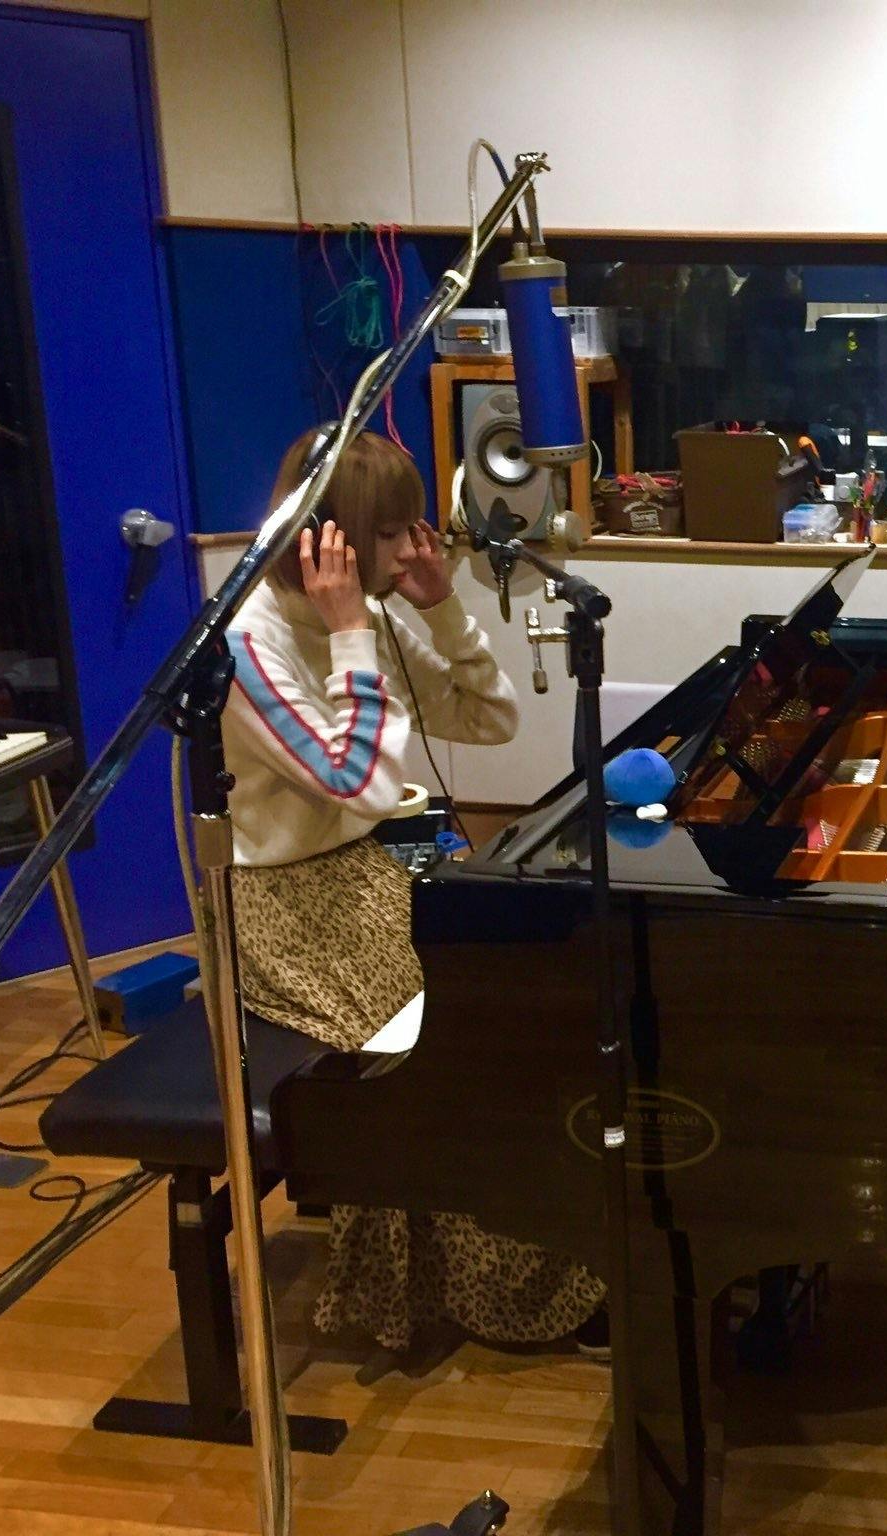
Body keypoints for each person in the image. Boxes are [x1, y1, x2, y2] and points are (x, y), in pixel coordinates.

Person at [221, 427, 606, 1358]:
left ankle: (566, 1247)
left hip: (360, 877)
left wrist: (441, 611)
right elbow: (354, 782)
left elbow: (490, 717)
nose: (411, 552)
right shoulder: (249, 646)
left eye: (411, 529)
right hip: (282, 910)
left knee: (495, 1010)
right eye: (390, 533)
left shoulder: (372, 615)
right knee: (429, 1058)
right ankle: (481, 1285)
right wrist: (354, 635)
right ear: (330, 538)